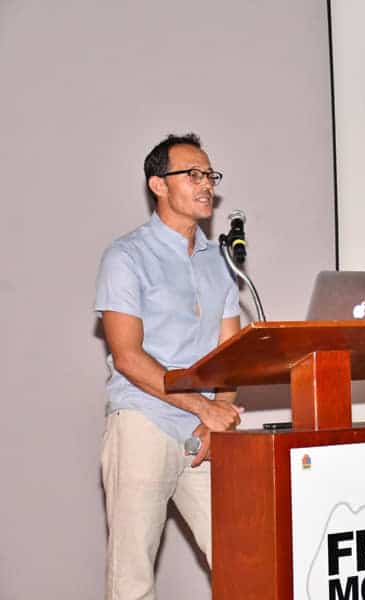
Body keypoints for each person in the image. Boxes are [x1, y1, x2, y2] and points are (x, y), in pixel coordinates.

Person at [94, 133, 243, 599]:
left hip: (203, 435)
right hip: (143, 422)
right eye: (193, 174)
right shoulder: (126, 256)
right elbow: (128, 357)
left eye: (210, 176)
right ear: (158, 185)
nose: (206, 185)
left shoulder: (221, 262)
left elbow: (231, 354)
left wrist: (219, 416)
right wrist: (205, 407)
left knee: (244, 555)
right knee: (132, 575)